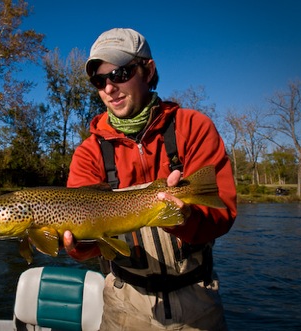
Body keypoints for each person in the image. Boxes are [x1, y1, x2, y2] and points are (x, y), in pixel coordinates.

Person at [63, 28, 237, 330]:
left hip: (199, 304)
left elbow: (222, 215)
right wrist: (76, 243)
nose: (109, 88)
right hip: (124, 305)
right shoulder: (89, 152)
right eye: (99, 80)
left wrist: (182, 217)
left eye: (120, 73)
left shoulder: (192, 127)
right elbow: (89, 250)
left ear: (148, 70)